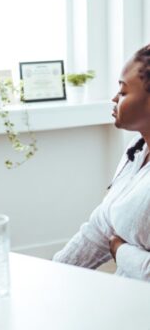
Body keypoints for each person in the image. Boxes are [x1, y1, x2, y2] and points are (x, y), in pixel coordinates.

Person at [53, 43, 150, 281]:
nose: (115, 98)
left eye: (124, 91)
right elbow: (102, 223)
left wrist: (121, 251)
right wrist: (54, 273)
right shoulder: (136, 149)